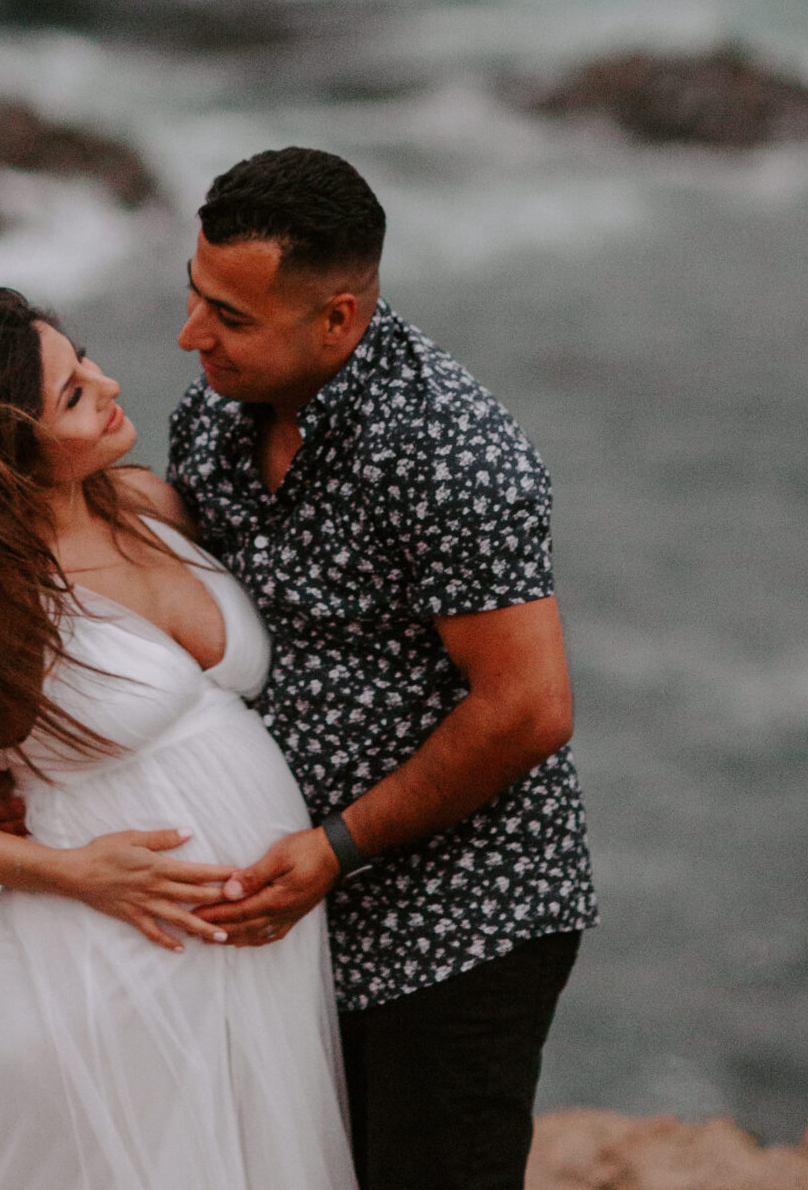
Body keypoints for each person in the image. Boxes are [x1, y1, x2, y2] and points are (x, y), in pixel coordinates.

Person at [0, 285, 359, 1190]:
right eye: (74, 395)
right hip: (109, 965)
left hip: (247, 950)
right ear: (3, 450)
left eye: (83, 362)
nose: (109, 385)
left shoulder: (146, 503)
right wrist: (75, 872)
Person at [169, 146, 596, 1190]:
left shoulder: (451, 452)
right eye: (194, 299)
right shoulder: (213, 416)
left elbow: (527, 708)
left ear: (339, 319)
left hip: (457, 921)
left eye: (229, 317)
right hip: (302, 915)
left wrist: (335, 845)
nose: (192, 336)